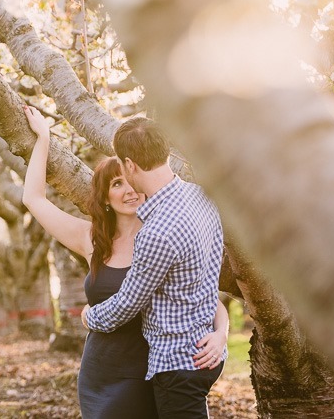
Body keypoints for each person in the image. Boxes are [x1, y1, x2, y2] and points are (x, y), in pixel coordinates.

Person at [22, 106, 227, 419]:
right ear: (104, 197)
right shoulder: (90, 239)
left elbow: (202, 292)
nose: (129, 190)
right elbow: (34, 199)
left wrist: (221, 333)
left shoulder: (162, 230)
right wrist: (44, 139)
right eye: (115, 184)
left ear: (134, 168)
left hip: (155, 368)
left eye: (127, 180)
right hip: (105, 372)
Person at [81, 116, 226, 419]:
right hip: (205, 347)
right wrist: (221, 331)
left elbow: (126, 305)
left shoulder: (156, 232)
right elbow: (208, 281)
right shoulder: (201, 197)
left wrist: (90, 316)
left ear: (130, 165)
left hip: (178, 363)